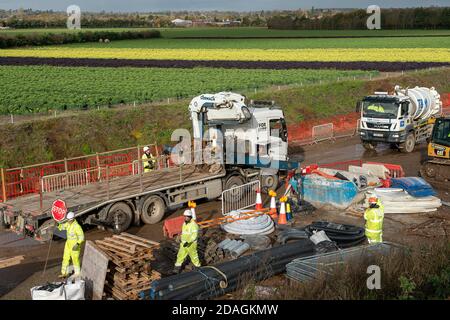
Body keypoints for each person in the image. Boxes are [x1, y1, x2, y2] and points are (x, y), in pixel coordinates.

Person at [58, 211, 84, 278]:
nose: (69, 221)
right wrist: (58, 224)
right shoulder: (67, 224)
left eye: (70, 220)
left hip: (75, 244)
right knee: (65, 258)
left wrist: (77, 244)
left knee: (75, 259)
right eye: (68, 220)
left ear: (73, 219)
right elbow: (62, 227)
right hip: (68, 244)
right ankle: (64, 273)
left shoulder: (77, 227)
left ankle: (77, 273)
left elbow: (82, 237)